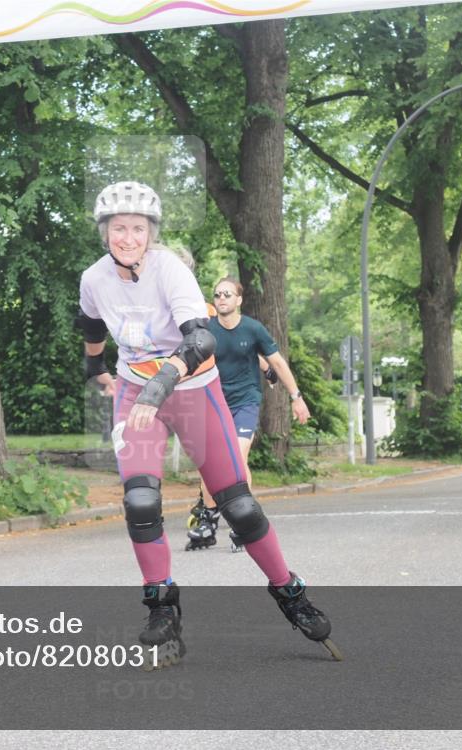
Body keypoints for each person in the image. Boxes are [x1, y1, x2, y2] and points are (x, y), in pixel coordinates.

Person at [76, 180, 341, 667]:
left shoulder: (170, 271)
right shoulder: (94, 279)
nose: (128, 237)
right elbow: (92, 325)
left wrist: (159, 388)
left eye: (137, 228)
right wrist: (95, 366)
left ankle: (290, 592)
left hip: (192, 391)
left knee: (237, 506)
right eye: (118, 228)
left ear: (150, 233)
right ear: (105, 232)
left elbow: (200, 341)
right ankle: (161, 604)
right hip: (136, 393)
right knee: (140, 500)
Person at [186, 277, 311, 552]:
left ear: (239, 300)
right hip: (215, 401)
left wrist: (296, 398)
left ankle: (244, 520)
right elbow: (189, 364)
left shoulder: (253, 329)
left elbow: (276, 360)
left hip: (245, 400)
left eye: (227, 294)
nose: (221, 299)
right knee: (210, 461)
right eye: (217, 294)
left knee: (238, 456)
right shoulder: (207, 331)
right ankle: (208, 519)